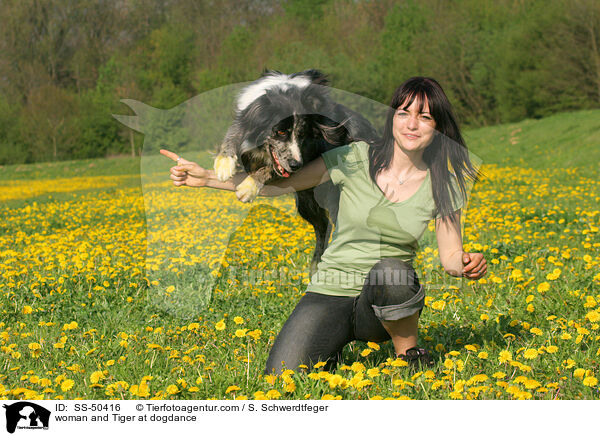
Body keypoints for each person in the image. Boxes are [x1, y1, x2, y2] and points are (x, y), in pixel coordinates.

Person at [160, 76, 487, 375]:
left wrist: (465, 263)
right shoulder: (355, 156)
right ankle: (328, 349)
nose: (412, 124)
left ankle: (409, 354)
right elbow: (281, 185)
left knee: (392, 271)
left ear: (438, 127)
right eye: (404, 113)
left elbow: (450, 255)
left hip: (381, 297)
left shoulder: (443, 183)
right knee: (281, 375)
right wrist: (204, 179)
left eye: (425, 117)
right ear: (392, 119)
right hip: (329, 289)